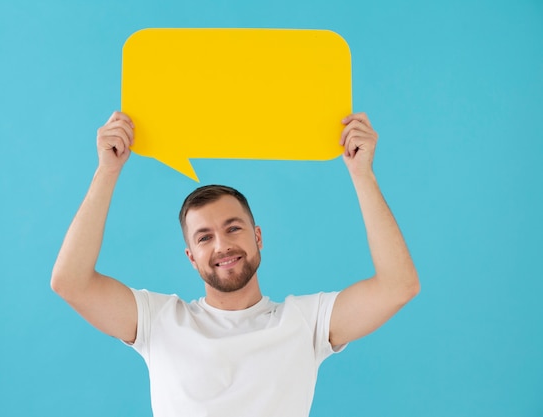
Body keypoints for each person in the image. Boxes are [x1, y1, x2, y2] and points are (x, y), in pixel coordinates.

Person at [51, 111, 420, 417]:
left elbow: (398, 286)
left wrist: (362, 174)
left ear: (258, 237)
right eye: (204, 237)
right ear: (190, 257)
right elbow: (70, 282)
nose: (223, 245)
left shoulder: (307, 322)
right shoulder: (158, 321)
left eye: (233, 228)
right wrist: (107, 171)